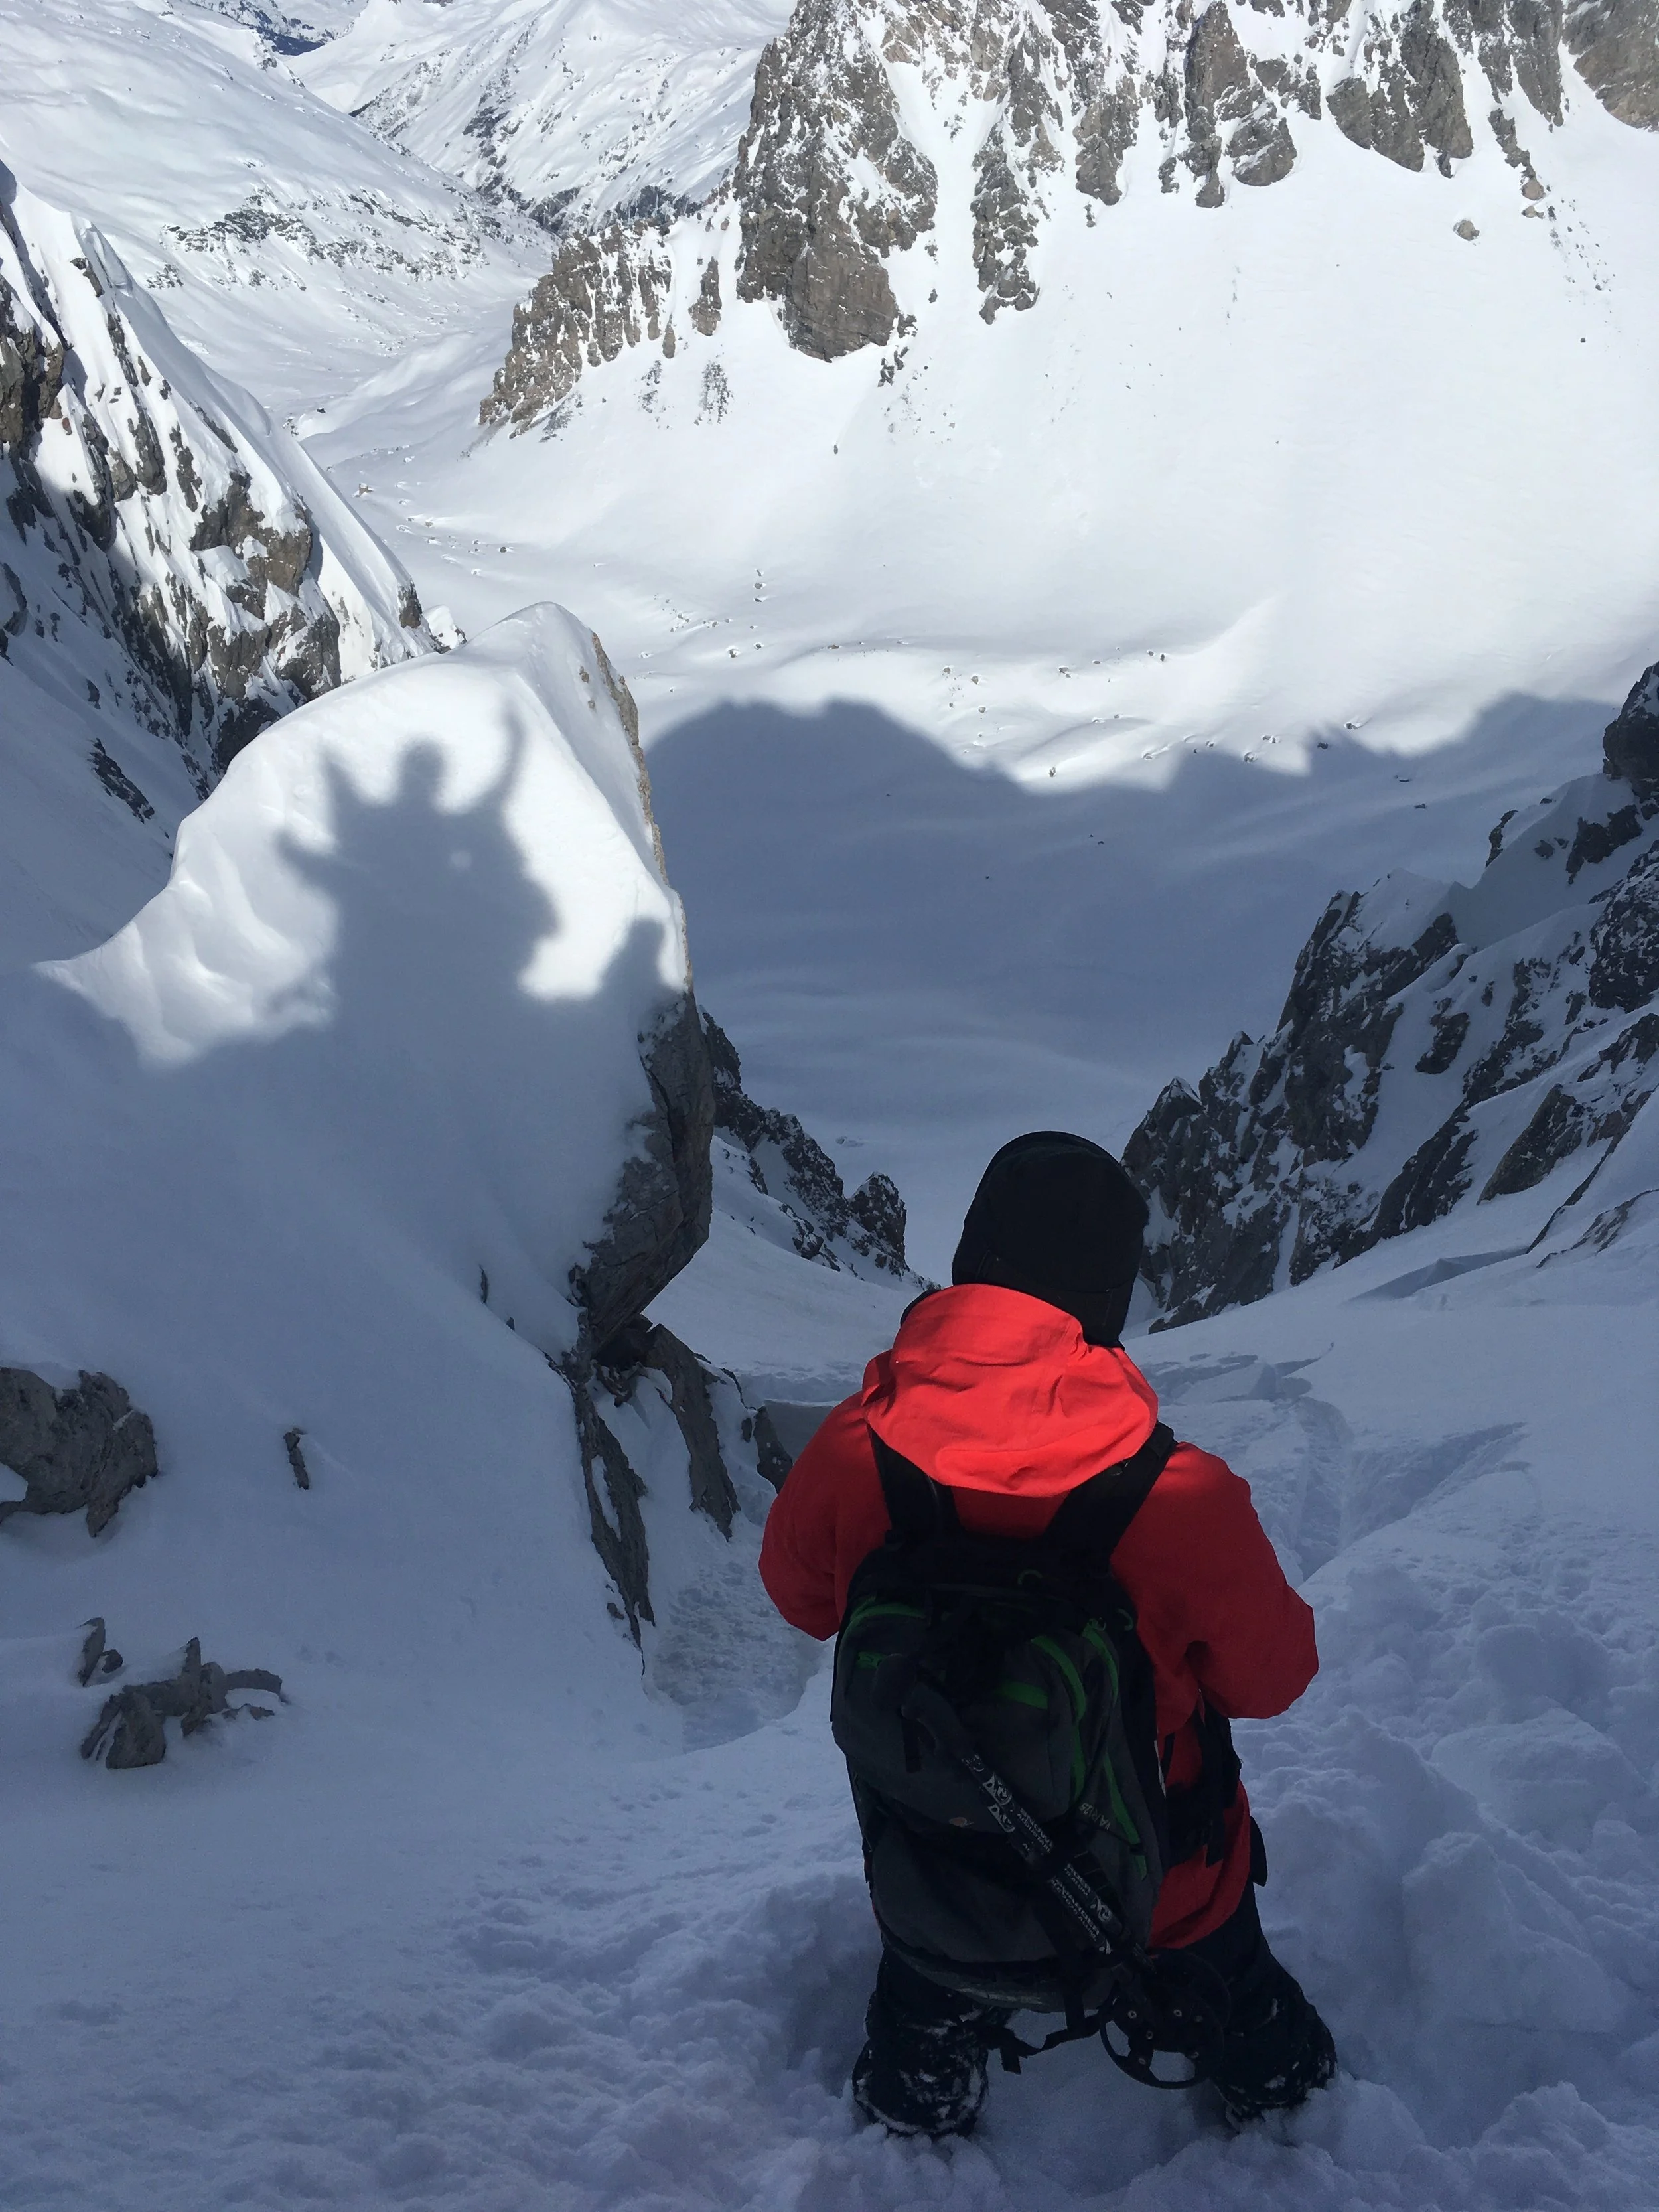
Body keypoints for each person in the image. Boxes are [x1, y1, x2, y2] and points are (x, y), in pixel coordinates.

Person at [758, 1131, 1336, 2138]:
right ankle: (1279, 2094)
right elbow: (1274, 1678)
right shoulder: (1178, 1496)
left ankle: (921, 2091)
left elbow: (802, 1600)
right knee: (1240, 1991)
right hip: (1161, 1883)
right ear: (1109, 1296)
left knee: (925, 2002)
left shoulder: (853, 1453)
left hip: (935, 1857)